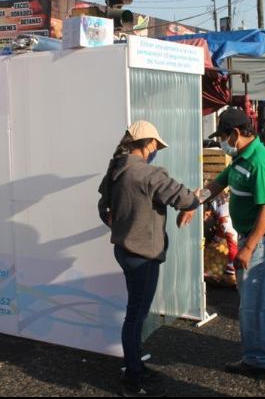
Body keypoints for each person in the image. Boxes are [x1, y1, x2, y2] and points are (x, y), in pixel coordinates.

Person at [183, 107, 265, 373]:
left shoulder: (260, 161)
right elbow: (216, 185)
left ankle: (257, 360)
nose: (223, 143)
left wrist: (248, 248)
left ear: (235, 133)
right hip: (255, 239)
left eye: (224, 137)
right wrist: (192, 203)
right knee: (259, 299)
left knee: (252, 307)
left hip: (264, 241)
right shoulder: (241, 158)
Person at [97, 121, 201, 397]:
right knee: (136, 317)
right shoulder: (148, 174)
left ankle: (136, 366)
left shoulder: (115, 170)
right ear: (147, 144)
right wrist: (196, 200)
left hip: (124, 249)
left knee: (136, 314)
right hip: (143, 253)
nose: (157, 149)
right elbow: (184, 198)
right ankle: (132, 379)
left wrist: (122, 226)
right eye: (156, 144)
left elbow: (103, 209)